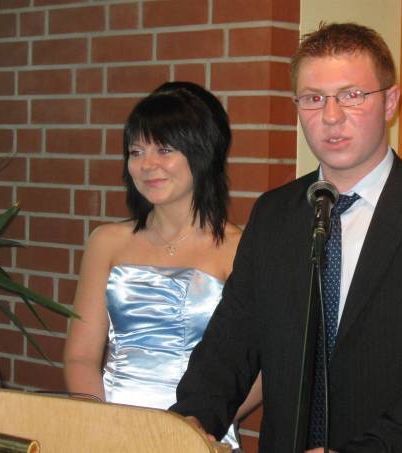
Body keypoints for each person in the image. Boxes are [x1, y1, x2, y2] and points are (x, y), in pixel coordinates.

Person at [170, 23, 402, 453]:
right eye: (313, 98)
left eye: (351, 95)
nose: (330, 116)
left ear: (390, 102)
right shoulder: (273, 214)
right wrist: (190, 421)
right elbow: (231, 342)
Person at [63, 81, 261, 449]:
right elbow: (80, 356)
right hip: (109, 431)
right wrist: (100, 427)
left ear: (202, 153)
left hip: (199, 436)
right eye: (136, 151)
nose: (147, 165)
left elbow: (261, 370)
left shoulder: (242, 250)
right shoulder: (106, 242)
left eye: (164, 149)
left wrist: (197, 427)